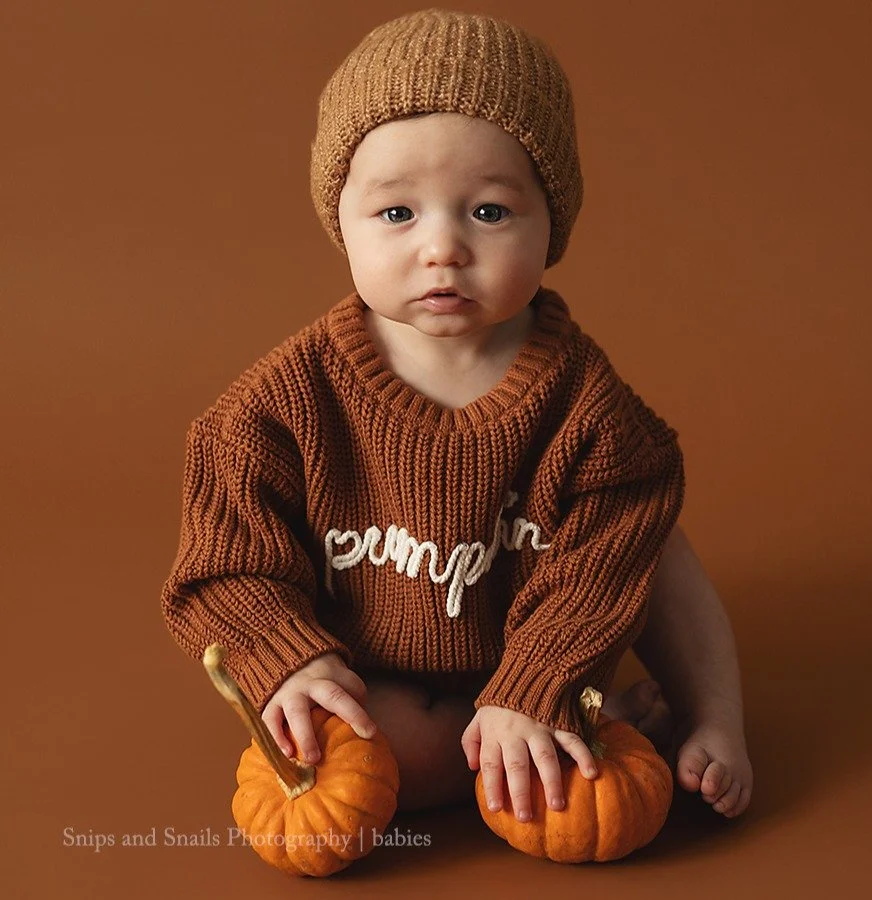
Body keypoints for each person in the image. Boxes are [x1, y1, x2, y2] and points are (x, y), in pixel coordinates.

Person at [160, 8, 752, 824]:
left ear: (553, 224)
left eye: (488, 212)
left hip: (539, 638)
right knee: (375, 757)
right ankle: (569, 730)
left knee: (655, 545)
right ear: (343, 223)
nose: (442, 247)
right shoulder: (281, 403)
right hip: (372, 668)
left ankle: (710, 716)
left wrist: (538, 677)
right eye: (398, 214)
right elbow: (226, 559)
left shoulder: (585, 402)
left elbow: (603, 565)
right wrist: (287, 661)